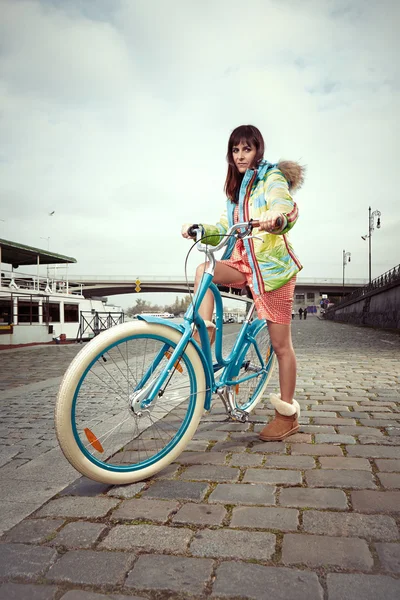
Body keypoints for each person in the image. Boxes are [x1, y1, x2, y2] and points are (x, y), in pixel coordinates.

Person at [182, 124, 305, 441]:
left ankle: (286, 414)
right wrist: (199, 229)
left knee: (280, 346)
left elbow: (284, 205)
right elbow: (226, 227)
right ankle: (203, 331)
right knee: (205, 267)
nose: (240, 155)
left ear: (257, 150)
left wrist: (276, 217)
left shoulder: (271, 178)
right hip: (242, 263)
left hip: (272, 271)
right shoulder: (236, 191)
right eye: (235, 149)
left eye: (246, 149)